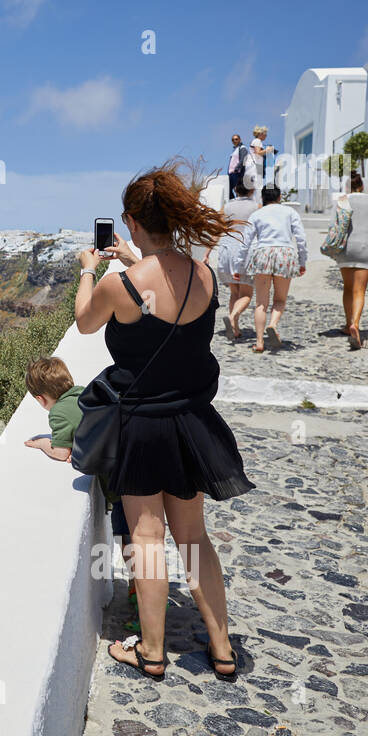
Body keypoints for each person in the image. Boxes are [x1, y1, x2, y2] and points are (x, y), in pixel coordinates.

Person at [75, 160, 255, 683]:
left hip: (142, 426)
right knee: (194, 539)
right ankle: (222, 648)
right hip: (191, 423)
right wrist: (139, 259)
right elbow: (170, 304)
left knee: (148, 538)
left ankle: (151, 652)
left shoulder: (121, 286)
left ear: (131, 220)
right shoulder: (205, 275)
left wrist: (92, 268)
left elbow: (86, 321)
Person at [24, 356, 138, 612]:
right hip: (135, 463)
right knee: (144, 530)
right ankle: (145, 586)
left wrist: (43, 443)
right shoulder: (87, 393)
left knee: (130, 536)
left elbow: (61, 452)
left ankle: (140, 590)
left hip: (120, 483)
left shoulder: (58, 412)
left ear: (41, 399)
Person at [234, 183, 307, 351]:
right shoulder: (290, 212)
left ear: (263, 198)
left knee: (261, 303)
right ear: (279, 197)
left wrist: (238, 266)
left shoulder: (257, 214)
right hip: (285, 254)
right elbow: (301, 238)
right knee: (280, 300)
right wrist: (302, 261)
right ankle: (273, 325)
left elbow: (245, 242)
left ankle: (259, 342)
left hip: (262, 254)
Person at [332, 172, 368, 349]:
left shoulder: (342, 200)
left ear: (348, 187)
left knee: (348, 288)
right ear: (362, 186)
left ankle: (347, 324)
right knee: (359, 290)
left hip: (346, 249)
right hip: (366, 249)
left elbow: (333, 226)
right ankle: (355, 324)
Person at [216, 179, 257, 340]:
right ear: (252, 190)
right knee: (247, 293)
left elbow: (217, 228)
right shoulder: (256, 207)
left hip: (227, 250)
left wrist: (207, 252)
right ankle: (233, 317)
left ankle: (235, 328)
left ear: (235, 189)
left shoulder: (225, 207)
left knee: (234, 292)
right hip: (246, 251)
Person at [248, 125, 275, 204]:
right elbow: (258, 153)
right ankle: (258, 204)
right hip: (256, 167)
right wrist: (268, 150)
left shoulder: (256, 141)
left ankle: (256, 203)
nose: (266, 136)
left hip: (255, 167)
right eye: (265, 134)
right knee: (258, 187)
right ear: (261, 134)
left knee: (256, 186)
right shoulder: (257, 141)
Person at [227, 134, 250, 198]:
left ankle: (238, 203)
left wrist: (236, 169)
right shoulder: (234, 150)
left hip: (237, 172)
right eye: (233, 140)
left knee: (237, 189)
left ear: (240, 140)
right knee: (228, 189)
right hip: (231, 173)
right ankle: (233, 202)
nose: (234, 141)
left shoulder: (242, 148)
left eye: (236, 139)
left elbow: (243, 159)